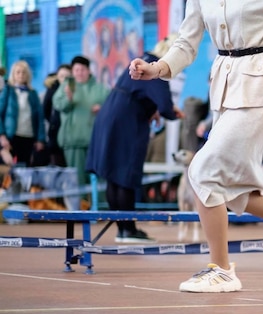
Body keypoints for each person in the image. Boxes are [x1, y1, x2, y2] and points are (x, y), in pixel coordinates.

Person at [128, 0, 263, 292]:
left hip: (262, 88)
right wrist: (156, 69)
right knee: (233, 188)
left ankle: (221, 269)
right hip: (223, 89)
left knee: (203, 170)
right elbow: (186, 41)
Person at [86, 37, 183, 244]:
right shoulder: (156, 68)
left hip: (110, 115)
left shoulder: (143, 60)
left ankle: (123, 229)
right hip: (127, 122)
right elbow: (165, 106)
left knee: (113, 175)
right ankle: (128, 230)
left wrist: (152, 108)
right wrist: (173, 114)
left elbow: (143, 94)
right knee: (126, 174)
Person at [53, 55, 110, 186]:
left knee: (99, 179)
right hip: (73, 142)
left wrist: (102, 110)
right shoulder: (66, 87)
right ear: (72, 72)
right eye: (76, 70)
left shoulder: (100, 89)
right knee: (77, 182)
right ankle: (81, 206)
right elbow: (58, 105)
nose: (79, 73)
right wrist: (68, 98)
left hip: (96, 142)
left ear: (89, 70)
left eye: (82, 69)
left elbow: (112, 109)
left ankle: (100, 206)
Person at [0, 60, 47, 167]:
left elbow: (40, 118)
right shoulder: (8, 91)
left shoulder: (33, 94)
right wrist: (2, 136)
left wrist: (40, 139)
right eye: (18, 72)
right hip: (11, 136)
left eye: (24, 72)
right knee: (7, 168)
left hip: (28, 136)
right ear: (13, 74)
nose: (21, 75)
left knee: (25, 168)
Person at [42, 63, 71, 167]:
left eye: (67, 76)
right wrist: (53, 121)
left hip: (71, 135)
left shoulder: (75, 90)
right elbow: (45, 110)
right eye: (61, 76)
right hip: (55, 133)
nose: (64, 79)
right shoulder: (52, 90)